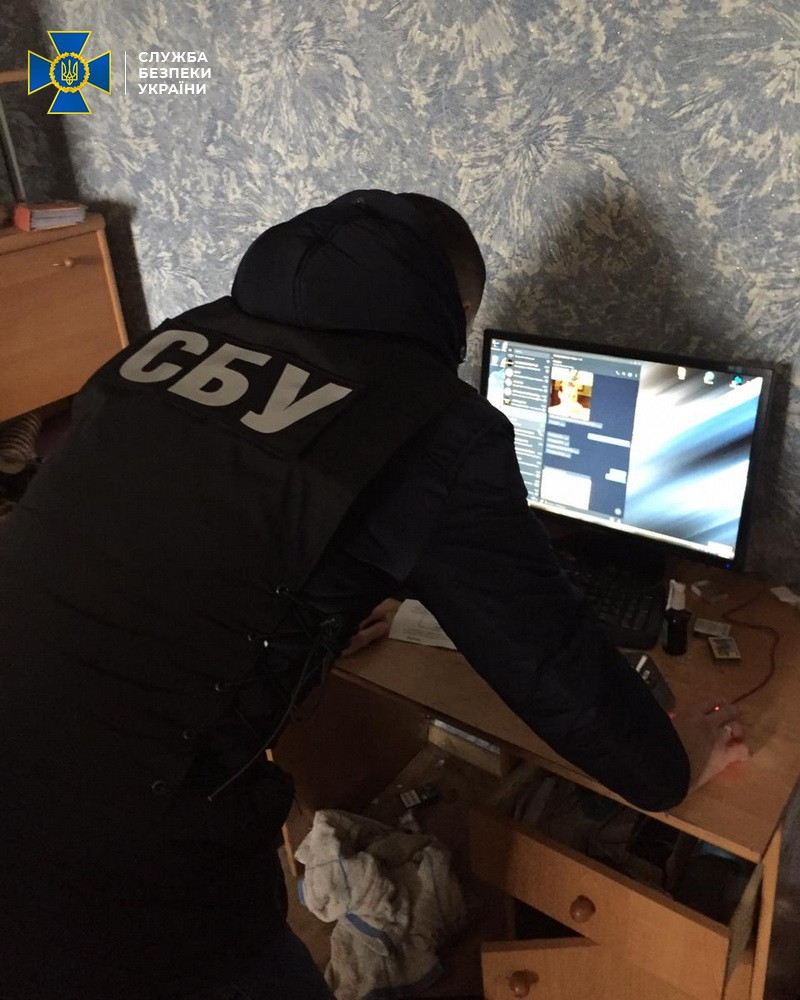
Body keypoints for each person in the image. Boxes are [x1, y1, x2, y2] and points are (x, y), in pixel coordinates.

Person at [0, 190, 747, 1000]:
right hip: (114, 845)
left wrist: (333, 600)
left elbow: (187, 517)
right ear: (453, 310)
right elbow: (551, 664)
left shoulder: (171, 345)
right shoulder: (433, 426)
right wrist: (670, 773)